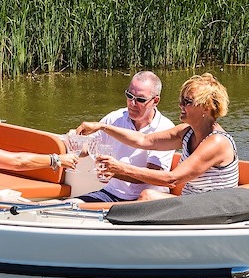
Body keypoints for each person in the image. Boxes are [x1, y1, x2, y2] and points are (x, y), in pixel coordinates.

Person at [76, 73, 238, 200]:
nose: (180, 105)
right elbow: (143, 140)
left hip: (212, 209)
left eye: (187, 102)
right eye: (181, 100)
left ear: (206, 108)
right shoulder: (186, 132)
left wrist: (120, 168)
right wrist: (102, 126)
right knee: (148, 197)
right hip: (190, 203)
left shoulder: (217, 142)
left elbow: (172, 179)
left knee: (148, 196)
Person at [73, 71, 176, 203]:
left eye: (140, 99)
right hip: (110, 194)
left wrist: (116, 172)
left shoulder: (165, 129)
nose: (132, 103)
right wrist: (75, 141)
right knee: (60, 206)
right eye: (129, 96)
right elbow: (88, 147)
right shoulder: (115, 117)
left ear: (155, 101)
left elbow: (151, 175)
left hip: (145, 201)